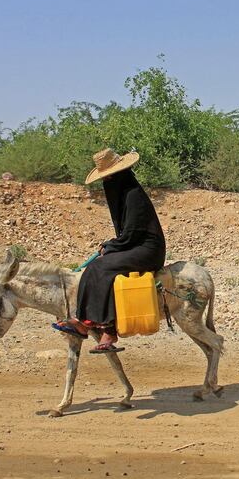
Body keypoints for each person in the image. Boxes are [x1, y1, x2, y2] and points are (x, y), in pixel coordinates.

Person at [53, 148, 166, 353]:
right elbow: (128, 235)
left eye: (109, 177)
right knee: (98, 266)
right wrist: (112, 245)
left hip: (149, 250)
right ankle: (86, 321)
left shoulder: (133, 196)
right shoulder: (124, 193)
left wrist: (112, 246)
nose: (107, 182)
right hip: (135, 246)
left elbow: (133, 233)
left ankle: (102, 327)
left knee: (101, 267)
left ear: (120, 174)